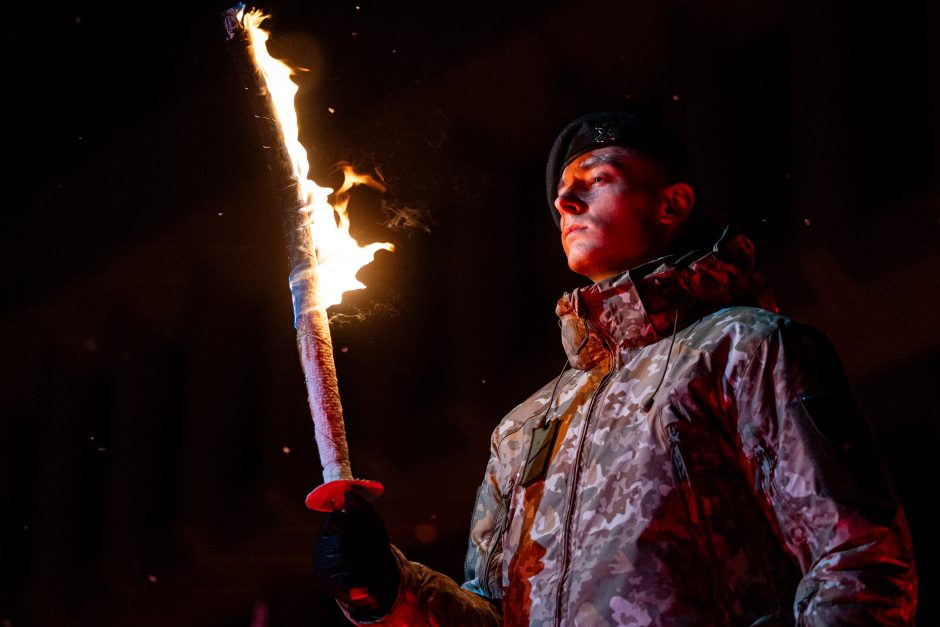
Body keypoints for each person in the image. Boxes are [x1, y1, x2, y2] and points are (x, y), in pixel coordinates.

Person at [312, 112, 918, 625]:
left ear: (673, 202)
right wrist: (389, 588)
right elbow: (495, 614)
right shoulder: (522, 428)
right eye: (561, 195)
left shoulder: (746, 349)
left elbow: (857, 561)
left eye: (597, 179)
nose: (566, 201)